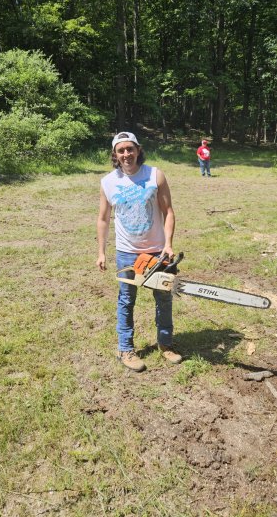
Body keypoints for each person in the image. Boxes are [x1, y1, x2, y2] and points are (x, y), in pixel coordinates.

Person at [96, 131, 182, 372]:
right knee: (126, 300)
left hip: (157, 252)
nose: (126, 154)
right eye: (121, 150)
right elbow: (103, 219)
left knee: (163, 299)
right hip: (126, 253)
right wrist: (101, 252)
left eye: (130, 149)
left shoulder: (155, 175)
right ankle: (125, 349)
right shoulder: (108, 182)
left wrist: (168, 244)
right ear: (115, 154)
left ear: (138, 150)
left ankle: (165, 344)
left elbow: (168, 212)